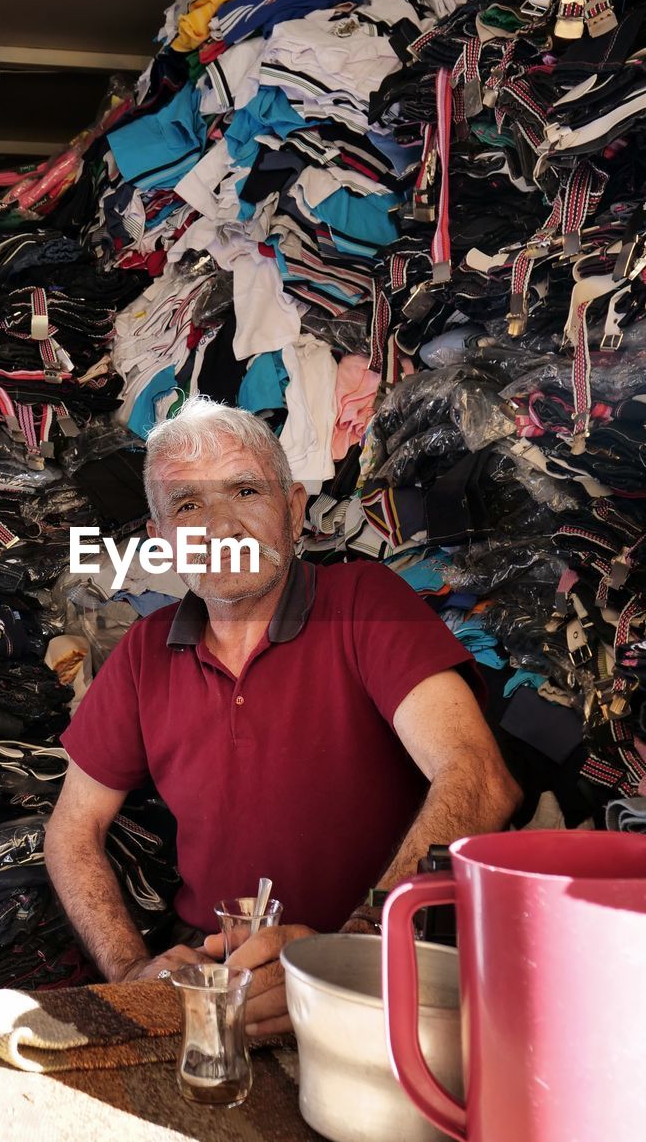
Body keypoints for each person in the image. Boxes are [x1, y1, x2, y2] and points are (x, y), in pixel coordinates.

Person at [44, 396, 522, 1035]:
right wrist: (132, 971)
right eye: (188, 505)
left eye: (246, 490)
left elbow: (479, 775)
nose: (220, 527)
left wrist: (354, 952)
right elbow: (72, 831)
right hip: (210, 984)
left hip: (378, 985)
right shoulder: (143, 652)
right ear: (160, 543)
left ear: (294, 510)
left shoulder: (364, 602)